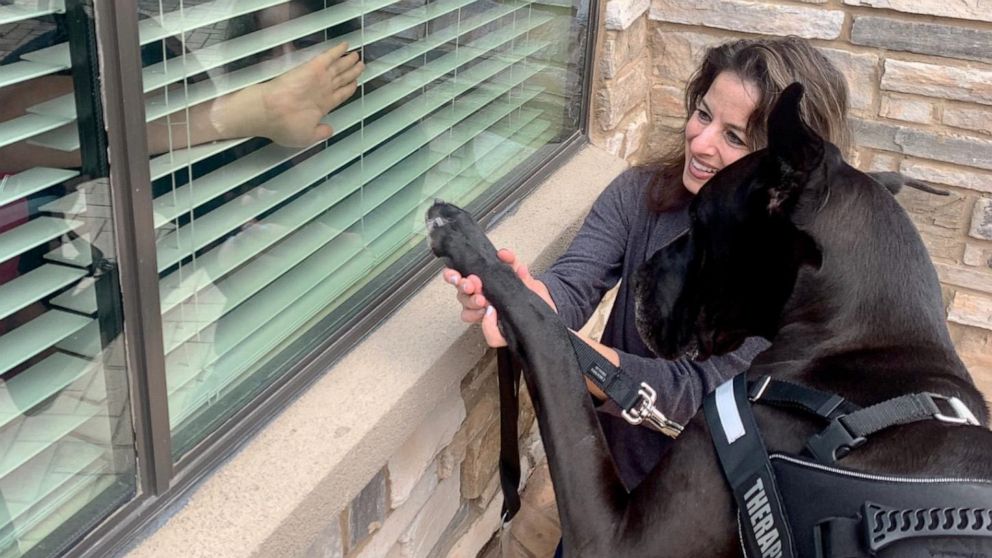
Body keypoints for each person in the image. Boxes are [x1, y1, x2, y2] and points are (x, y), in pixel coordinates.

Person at [442, 36, 851, 493]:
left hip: (705, 510)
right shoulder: (640, 196)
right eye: (703, 113)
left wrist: (563, 349)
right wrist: (529, 304)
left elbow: (694, 394)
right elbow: (575, 283)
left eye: (733, 136)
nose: (700, 142)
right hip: (607, 486)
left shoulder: (790, 276)